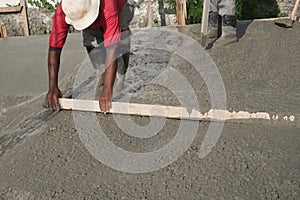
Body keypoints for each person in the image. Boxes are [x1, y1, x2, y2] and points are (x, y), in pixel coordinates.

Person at [45, 0, 133, 113]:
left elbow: (112, 49)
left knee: (121, 39)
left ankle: (118, 77)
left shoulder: (108, 5)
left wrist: (107, 90)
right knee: (93, 46)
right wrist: (52, 87)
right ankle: (104, 76)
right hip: (91, 10)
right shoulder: (66, 9)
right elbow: (54, 49)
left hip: (118, 7)